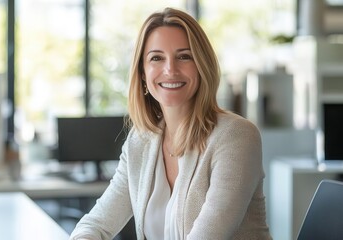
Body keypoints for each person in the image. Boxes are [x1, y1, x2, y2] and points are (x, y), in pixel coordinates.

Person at [69, 7, 272, 240]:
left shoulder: (236, 136)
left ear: (202, 66)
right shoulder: (140, 141)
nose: (170, 70)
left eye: (184, 56)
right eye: (157, 58)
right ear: (143, 74)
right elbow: (96, 224)